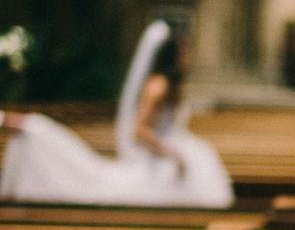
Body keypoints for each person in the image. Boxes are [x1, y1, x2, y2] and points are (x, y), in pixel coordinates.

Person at [0, 19, 233, 207]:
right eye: (183, 51)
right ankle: (35, 129)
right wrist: (171, 152)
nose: (187, 57)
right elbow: (138, 130)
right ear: (171, 53)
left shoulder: (168, 85)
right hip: (160, 159)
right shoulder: (158, 86)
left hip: (172, 153)